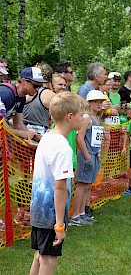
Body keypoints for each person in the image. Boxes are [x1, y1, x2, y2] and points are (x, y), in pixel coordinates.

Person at [29, 92, 85, 275]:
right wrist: (59, 225)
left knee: (39, 256)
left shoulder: (47, 137)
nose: (83, 118)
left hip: (38, 210)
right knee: (48, 260)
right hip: (50, 215)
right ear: (70, 117)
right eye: (80, 114)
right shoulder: (62, 147)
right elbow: (60, 187)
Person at [69, 90, 105, 226]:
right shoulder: (87, 118)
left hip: (94, 154)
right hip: (88, 154)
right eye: (96, 101)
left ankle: (82, 213)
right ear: (89, 103)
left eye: (100, 102)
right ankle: (75, 215)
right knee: (82, 184)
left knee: (88, 185)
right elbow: (80, 137)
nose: (99, 104)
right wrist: (86, 155)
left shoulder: (96, 118)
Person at [0, 67, 46, 140]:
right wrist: (22, 133)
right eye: (35, 86)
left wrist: (38, 138)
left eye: (40, 86)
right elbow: (1, 128)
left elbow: (18, 125)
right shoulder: (6, 94)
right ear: (24, 81)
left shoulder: (21, 98)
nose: (37, 89)